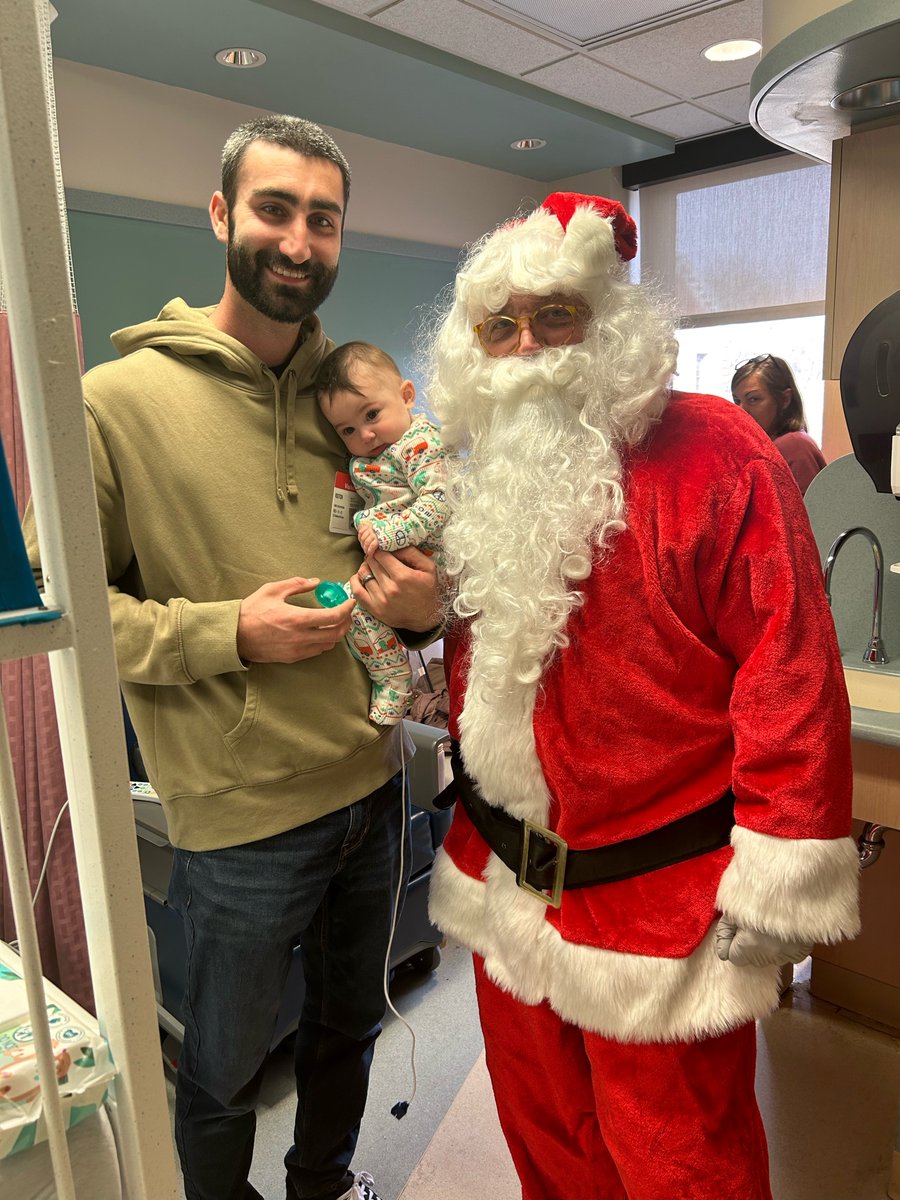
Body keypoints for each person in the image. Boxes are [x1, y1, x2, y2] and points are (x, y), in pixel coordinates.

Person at [25, 115, 439, 1200]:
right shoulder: (111, 407)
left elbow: (415, 551)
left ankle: (325, 1185)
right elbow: (62, 618)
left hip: (373, 783)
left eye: (323, 218)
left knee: (346, 1033)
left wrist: (427, 611)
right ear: (219, 215)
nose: (298, 240)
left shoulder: (354, 401)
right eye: (273, 209)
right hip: (240, 819)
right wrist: (227, 633)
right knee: (219, 1075)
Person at [425, 192, 860, 1200]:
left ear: (608, 319)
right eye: (502, 326)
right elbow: (484, 667)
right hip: (505, 893)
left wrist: (778, 870)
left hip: (661, 919)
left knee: (680, 1170)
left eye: (555, 316)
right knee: (551, 1152)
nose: (529, 346)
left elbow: (789, 670)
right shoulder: (486, 475)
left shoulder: (715, 452)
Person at [315, 341, 448, 724]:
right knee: (353, 610)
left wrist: (389, 531)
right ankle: (392, 679)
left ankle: (396, 680)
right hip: (386, 557)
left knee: (360, 604)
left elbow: (440, 501)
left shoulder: (419, 444)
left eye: (372, 414)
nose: (366, 435)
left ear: (407, 396)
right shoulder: (366, 460)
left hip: (425, 553)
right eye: (349, 429)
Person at [731, 353, 827, 494]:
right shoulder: (768, 446)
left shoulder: (793, 446)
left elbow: (803, 514)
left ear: (784, 399)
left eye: (753, 399)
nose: (741, 410)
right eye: (737, 401)